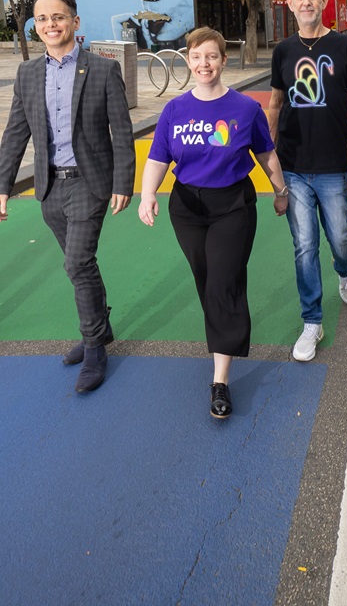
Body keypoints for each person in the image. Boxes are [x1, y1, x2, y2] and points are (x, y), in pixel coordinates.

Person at [0, 0, 135, 394]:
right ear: (36, 26)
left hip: (90, 181)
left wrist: (124, 181)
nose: (50, 24)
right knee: (81, 266)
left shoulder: (102, 70)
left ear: (74, 21)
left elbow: (122, 131)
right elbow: (15, 132)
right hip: (49, 186)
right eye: (43, 19)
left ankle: (94, 348)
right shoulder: (27, 73)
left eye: (58, 17)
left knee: (77, 263)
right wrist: (1, 186)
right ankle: (100, 328)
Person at [137, 27, 289, 419]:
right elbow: (158, 157)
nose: (204, 64)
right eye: (196, 56)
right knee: (207, 280)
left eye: (211, 56)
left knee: (223, 282)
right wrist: (148, 193)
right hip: (187, 208)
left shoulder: (245, 109)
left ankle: (220, 380)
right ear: (187, 61)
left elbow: (266, 154)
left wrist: (280, 190)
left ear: (223, 60)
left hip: (232, 206)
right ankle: (224, 327)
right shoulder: (174, 110)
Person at [266, 0, 347, 363]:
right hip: (293, 166)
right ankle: (312, 321)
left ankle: (345, 269)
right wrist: (269, 156)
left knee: (340, 236)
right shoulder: (282, 51)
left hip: (333, 165)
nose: (306, 2)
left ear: (324, 1)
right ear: (290, 3)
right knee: (305, 245)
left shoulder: (345, 47)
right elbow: (275, 105)